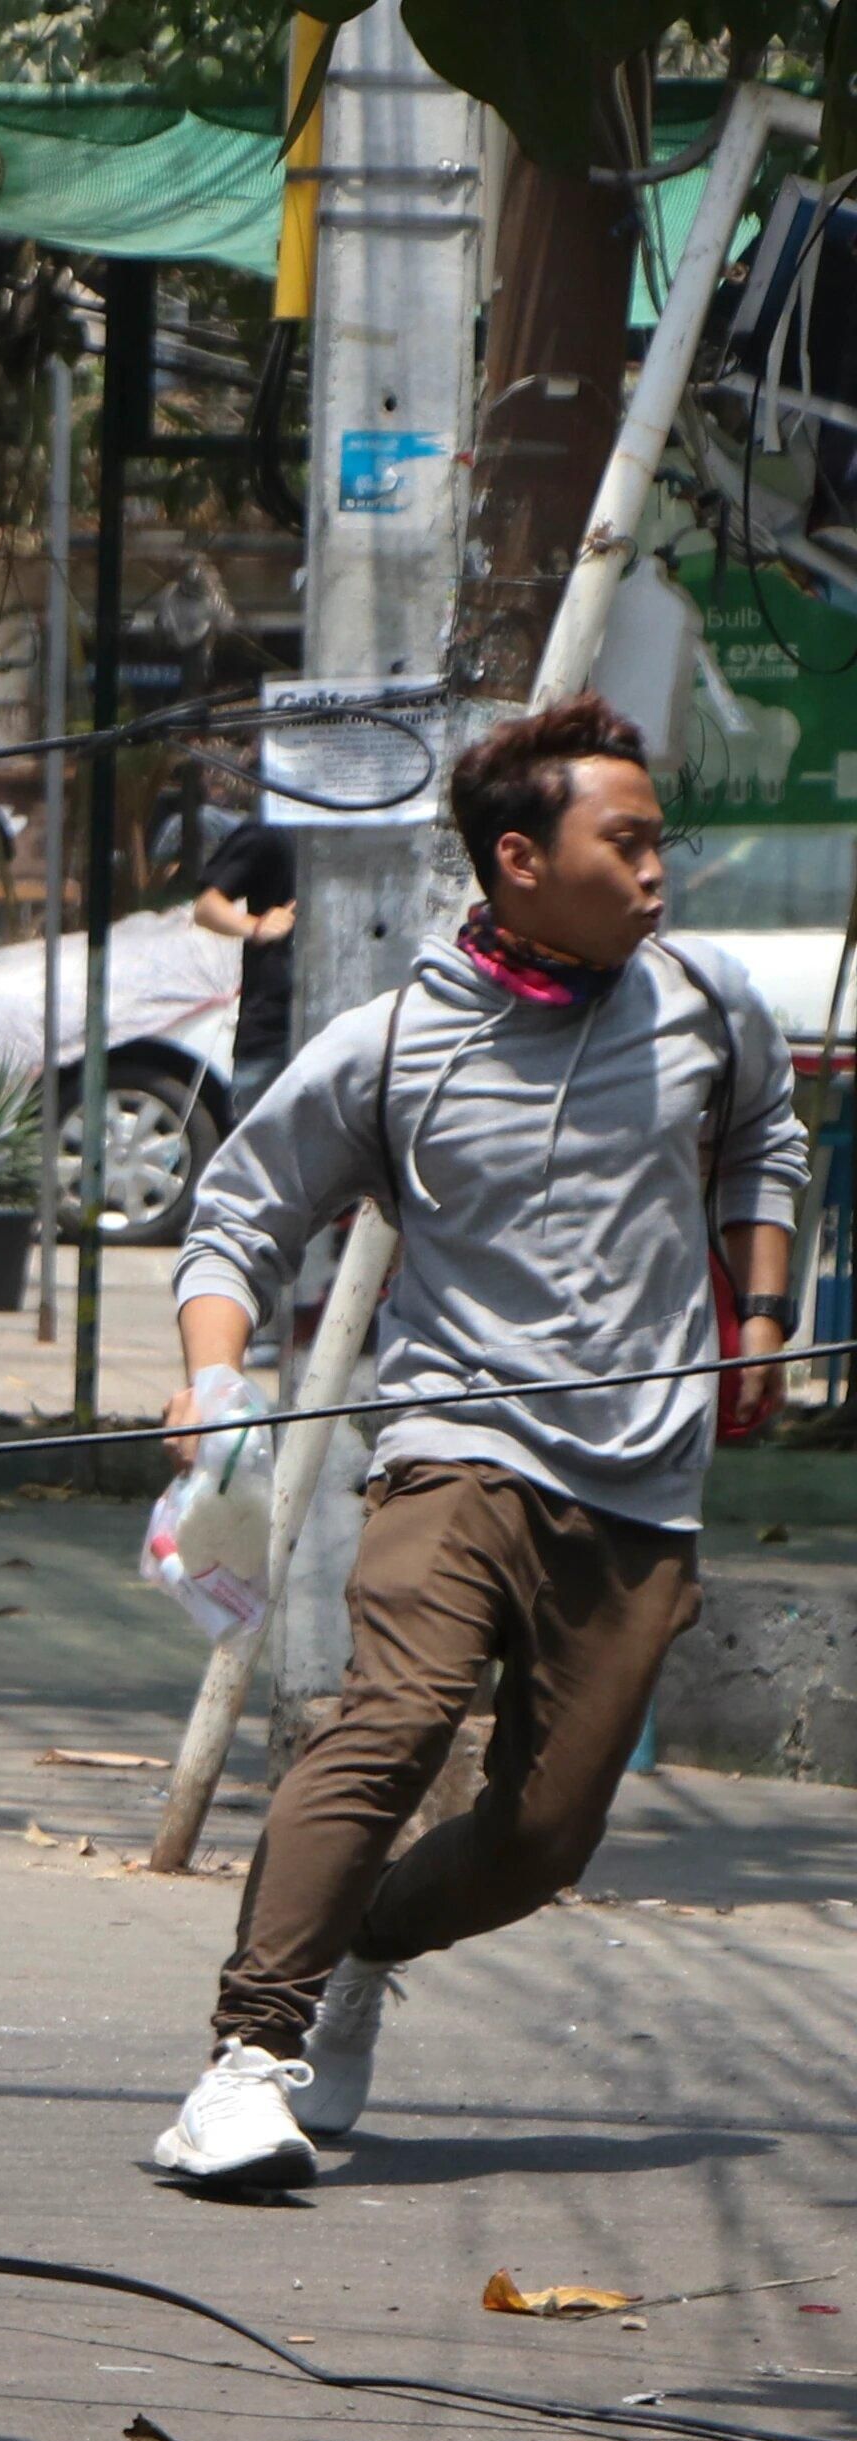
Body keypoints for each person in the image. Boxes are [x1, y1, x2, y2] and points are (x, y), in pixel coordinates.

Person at [147, 696, 800, 2195]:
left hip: (642, 1470)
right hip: (455, 1437)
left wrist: (758, 1311)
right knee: (394, 1714)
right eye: (622, 842)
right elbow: (239, 1214)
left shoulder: (706, 998)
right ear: (520, 858)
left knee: (543, 1834)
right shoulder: (391, 1045)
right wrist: (212, 1372)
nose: (654, 872)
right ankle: (247, 2060)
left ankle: (370, 1935)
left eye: (658, 842)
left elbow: (766, 1133)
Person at [191, 815, 300, 1122]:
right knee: (257, 1151)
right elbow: (207, 907)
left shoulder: (371, 826)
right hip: (274, 1029)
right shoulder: (273, 829)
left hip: (345, 1026)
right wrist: (255, 926)